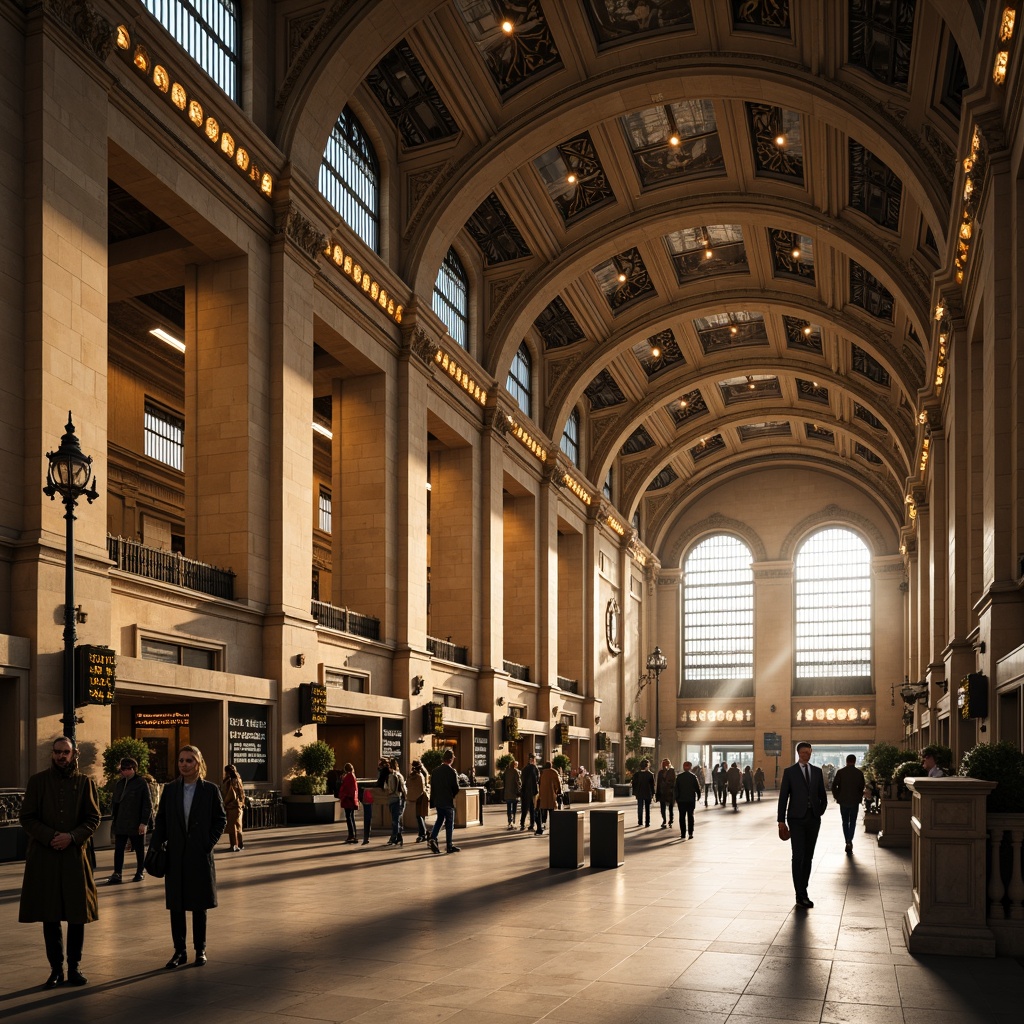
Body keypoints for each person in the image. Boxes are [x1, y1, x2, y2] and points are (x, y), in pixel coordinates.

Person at [19, 736, 100, 989]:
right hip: (45, 858)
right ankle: (56, 970)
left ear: (74, 754)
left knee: (77, 915)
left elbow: (93, 818)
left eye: (65, 752)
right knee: (49, 915)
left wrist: (71, 837)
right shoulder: (37, 781)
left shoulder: (84, 782)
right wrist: (51, 837)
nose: (61, 756)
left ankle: (74, 967)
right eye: (57, 752)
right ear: (52, 754)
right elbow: (27, 817)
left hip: (74, 857)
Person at [151, 744, 227, 968]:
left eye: (189, 760)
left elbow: (220, 819)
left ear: (198, 763)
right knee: (176, 905)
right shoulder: (172, 789)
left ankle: (200, 949)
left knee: (198, 905)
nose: (184, 764)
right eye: (181, 760)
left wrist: (207, 843)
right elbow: (162, 819)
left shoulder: (210, 790)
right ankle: (179, 951)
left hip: (199, 855)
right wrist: (156, 846)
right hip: (175, 855)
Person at [777, 742, 828, 908]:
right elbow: (783, 797)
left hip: (813, 819)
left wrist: (819, 811)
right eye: (804, 752)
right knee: (798, 856)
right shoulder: (790, 772)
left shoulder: (817, 772)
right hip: (796, 819)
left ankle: (803, 889)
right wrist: (781, 821)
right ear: (798, 753)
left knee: (809, 856)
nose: (807, 754)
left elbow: (823, 795)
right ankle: (800, 893)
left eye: (809, 752)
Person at [107, 756, 153, 883]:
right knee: (119, 848)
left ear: (133, 769)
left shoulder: (141, 782)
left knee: (139, 848)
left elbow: (147, 804)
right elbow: (115, 803)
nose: (124, 771)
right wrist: (114, 820)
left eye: (127, 769)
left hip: (136, 822)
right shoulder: (119, 784)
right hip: (121, 822)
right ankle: (117, 873)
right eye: (122, 769)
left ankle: (140, 871)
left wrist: (144, 822)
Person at [427, 749, 461, 854]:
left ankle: (432, 838)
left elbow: (433, 788)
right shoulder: (452, 771)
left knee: (439, 819)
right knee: (450, 823)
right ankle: (449, 845)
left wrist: (433, 800)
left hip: (438, 801)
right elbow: (456, 787)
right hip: (447, 801)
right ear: (451, 759)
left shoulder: (435, 771)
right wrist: (452, 795)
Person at [831, 754, 866, 855]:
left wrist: (837, 796)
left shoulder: (840, 772)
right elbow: (861, 787)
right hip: (854, 801)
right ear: (854, 761)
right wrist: (859, 797)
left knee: (845, 821)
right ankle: (850, 840)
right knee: (853, 821)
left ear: (846, 761)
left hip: (843, 801)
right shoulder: (859, 773)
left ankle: (847, 840)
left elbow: (834, 786)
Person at [220, 764, 245, 852]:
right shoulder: (239, 780)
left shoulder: (229, 781)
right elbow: (242, 793)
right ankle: (240, 844)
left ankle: (234, 845)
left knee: (232, 826)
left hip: (232, 806)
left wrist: (224, 803)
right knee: (239, 825)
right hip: (239, 805)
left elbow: (229, 794)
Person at [673, 761, 701, 839]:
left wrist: (676, 798)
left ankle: (683, 833)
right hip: (690, 800)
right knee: (690, 816)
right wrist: (698, 796)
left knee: (682, 817)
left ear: (683, 767)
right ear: (690, 767)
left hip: (681, 800)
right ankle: (690, 833)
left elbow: (676, 789)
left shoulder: (679, 777)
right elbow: (697, 788)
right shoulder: (693, 777)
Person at [384, 757, 406, 847]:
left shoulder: (391, 776)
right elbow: (404, 789)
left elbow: (390, 789)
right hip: (400, 798)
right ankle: (399, 837)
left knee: (394, 820)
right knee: (398, 819)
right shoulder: (400, 775)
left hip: (393, 798)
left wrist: (387, 787)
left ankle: (394, 838)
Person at [407, 760, 429, 842]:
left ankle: (423, 833)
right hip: (422, 796)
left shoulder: (415, 776)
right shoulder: (422, 775)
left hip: (419, 797)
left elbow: (409, 785)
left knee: (419, 816)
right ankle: (423, 833)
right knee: (421, 816)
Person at [537, 759, 561, 835]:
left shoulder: (542, 773)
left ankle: (544, 824)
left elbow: (539, 783)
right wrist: (558, 791)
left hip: (543, 794)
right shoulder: (554, 772)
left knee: (544, 809)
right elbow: (558, 783)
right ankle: (552, 825)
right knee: (551, 810)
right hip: (551, 794)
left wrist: (540, 794)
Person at [337, 762, 359, 844]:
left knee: (349, 817)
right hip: (351, 799)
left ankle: (351, 835)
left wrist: (344, 796)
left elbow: (346, 788)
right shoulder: (353, 776)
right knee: (351, 817)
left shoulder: (349, 777)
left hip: (348, 800)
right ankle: (354, 835)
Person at [631, 758, 656, 827]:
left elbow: (634, 784)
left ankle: (640, 821)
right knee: (647, 809)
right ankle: (647, 822)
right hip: (648, 793)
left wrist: (635, 792)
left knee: (640, 807)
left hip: (639, 793)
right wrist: (653, 794)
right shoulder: (650, 775)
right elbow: (652, 785)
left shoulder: (636, 774)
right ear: (647, 766)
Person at [519, 753, 540, 832]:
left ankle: (522, 824)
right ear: (532, 760)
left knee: (525, 808)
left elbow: (522, 779)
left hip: (525, 792)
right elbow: (537, 779)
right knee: (532, 808)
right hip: (532, 792)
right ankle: (531, 824)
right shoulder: (534, 768)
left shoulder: (524, 769)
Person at [656, 758, 676, 829]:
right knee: (662, 808)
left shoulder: (672, 771)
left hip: (669, 792)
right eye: (663, 764)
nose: (664, 765)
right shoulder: (660, 772)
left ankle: (670, 820)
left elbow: (673, 782)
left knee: (670, 808)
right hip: (662, 793)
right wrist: (657, 793)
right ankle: (664, 820)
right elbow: (658, 783)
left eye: (666, 764)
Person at [503, 758, 522, 830]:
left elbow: (504, 780)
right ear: (515, 765)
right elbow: (518, 782)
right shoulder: (516, 772)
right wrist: (520, 789)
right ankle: (513, 821)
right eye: (516, 765)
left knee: (508, 808)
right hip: (514, 793)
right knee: (514, 808)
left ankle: (509, 821)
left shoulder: (506, 771)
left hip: (507, 793)